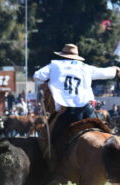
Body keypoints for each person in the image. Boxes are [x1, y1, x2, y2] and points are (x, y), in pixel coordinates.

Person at [33, 43, 120, 174]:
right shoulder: (85, 67)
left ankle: (54, 171)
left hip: (67, 111)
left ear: (63, 55)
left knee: (51, 140)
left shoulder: (54, 65)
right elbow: (104, 73)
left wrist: (47, 84)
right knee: (106, 133)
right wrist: (115, 69)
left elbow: (37, 76)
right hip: (87, 109)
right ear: (76, 57)